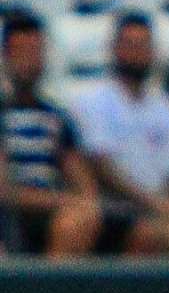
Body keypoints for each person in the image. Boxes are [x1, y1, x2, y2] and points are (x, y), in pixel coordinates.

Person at [71, 14, 169, 254]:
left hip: (158, 208)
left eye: (143, 45)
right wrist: (155, 204)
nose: (136, 52)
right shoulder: (93, 102)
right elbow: (102, 166)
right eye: (129, 44)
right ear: (114, 49)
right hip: (113, 206)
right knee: (149, 234)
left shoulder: (168, 108)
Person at [1, 14, 102, 257]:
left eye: (35, 51)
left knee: (78, 220)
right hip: (8, 216)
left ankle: (50, 291)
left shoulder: (56, 118)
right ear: (6, 57)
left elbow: (82, 181)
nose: (29, 61)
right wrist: (61, 200)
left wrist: (83, 203)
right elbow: (4, 190)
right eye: (21, 52)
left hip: (49, 215)